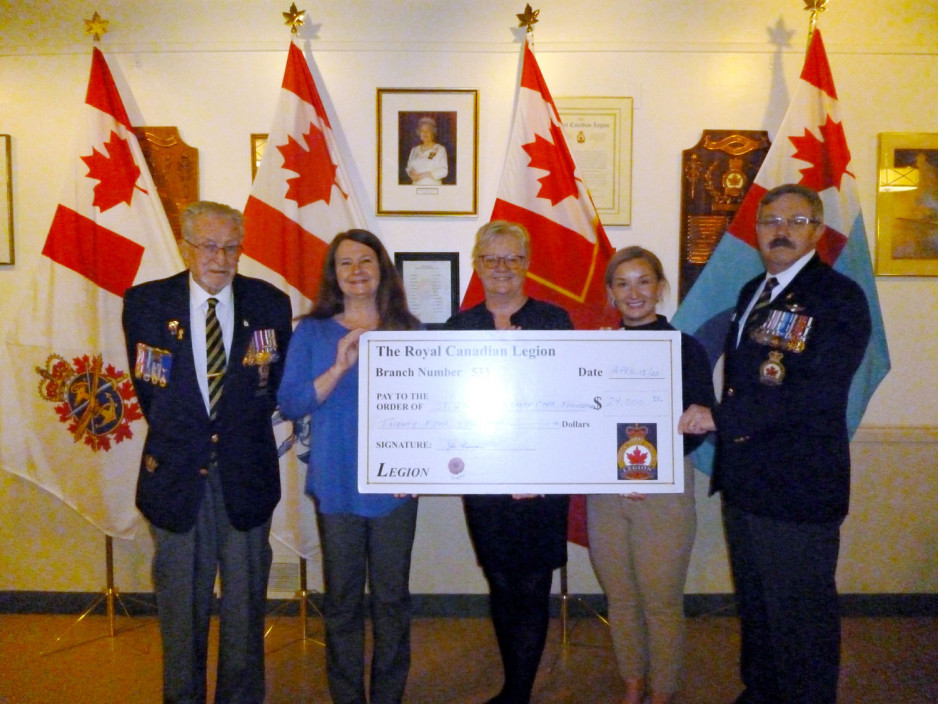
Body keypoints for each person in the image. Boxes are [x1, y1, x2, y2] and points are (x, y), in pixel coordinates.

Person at [678, 184, 872, 704]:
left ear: (817, 229)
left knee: (801, 615)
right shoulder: (753, 293)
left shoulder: (837, 298)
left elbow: (815, 391)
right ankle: (760, 690)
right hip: (746, 482)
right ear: (757, 230)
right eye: (770, 222)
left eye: (795, 220)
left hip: (798, 485)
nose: (780, 231)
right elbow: (750, 380)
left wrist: (717, 416)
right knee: (759, 607)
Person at [122, 200, 293, 704]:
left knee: (244, 608)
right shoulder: (147, 303)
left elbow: (270, 383)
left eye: (232, 247)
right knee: (181, 608)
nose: (221, 258)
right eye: (209, 246)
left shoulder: (270, 302)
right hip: (177, 476)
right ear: (185, 246)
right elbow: (151, 389)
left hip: (246, 474)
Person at [277, 229, 421, 704]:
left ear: (382, 269)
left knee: (392, 600)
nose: (357, 271)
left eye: (366, 260)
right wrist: (339, 367)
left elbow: (430, 411)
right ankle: (347, 697)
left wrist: (417, 468)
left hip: (396, 487)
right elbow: (293, 403)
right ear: (333, 275)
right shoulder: (312, 332)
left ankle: (387, 697)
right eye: (345, 263)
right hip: (337, 482)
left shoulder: (409, 331)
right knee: (340, 600)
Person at [443, 220, 573, 704]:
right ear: (477, 265)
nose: (501, 269)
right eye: (491, 259)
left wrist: (536, 467)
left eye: (512, 259)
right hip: (486, 477)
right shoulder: (459, 327)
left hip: (542, 479)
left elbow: (567, 399)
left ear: (527, 264)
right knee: (499, 578)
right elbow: (449, 404)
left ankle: (518, 692)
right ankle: (511, 683)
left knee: (535, 581)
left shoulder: (554, 320)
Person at [588, 247, 715, 704]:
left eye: (644, 281)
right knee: (620, 598)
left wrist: (646, 469)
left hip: (662, 490)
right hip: (606, 491)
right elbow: (584, 421)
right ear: (610, 293)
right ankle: (632, 684)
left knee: (660, 601)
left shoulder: (686, 348)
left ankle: (661, 693)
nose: (634, 292)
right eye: (622, 283)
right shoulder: (596, 349)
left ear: (660, 288)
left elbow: (697, 424)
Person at [405, 116, 448, 185]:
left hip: (433, 187)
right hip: (415, 187)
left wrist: (423, 175)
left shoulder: (440, 149)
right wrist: (411, 173)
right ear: (419, 133)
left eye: (428, 130)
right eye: (422, 131)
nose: (425, 133)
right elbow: (409, 168)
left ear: (433, 132)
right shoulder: (414, 149)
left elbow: (444, 171)